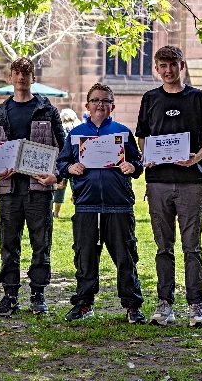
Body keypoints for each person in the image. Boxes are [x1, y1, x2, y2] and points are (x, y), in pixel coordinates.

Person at [136, 45, 202, 327]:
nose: (168, 70)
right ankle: (165, 304)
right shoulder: (149, 98)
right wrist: (147, 156)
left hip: (190, 182)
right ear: (156, 69)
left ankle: (196, 306)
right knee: (163, 247)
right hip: (157, 183)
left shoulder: (197, 98)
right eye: (162, 65)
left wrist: (197, 157)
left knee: (192, 247)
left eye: (173, 65)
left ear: (181, 66)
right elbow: (142, 135)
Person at [57, 83, 146, 323]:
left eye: (105, 101)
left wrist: (132, 166)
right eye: (96, 100)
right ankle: (84, 304)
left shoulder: (122, 132)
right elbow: (61, 164)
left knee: (126, 257)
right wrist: (69, 167)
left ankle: (132, 306)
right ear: (87, 105)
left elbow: (138, 162)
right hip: (86, 205)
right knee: (84, 257)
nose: (100, 104)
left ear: (112, 106)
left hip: (118, 204)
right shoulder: (75, 134)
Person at [0, 57, 65, 317]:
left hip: (39, 188)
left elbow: (63, 148)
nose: (21, 77)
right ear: (10, 78)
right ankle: (9, 295)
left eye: (26, 73)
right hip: (10, 188)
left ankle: (38, 293)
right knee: (8, 243)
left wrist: (55, 174)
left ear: (33, 78)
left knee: (40, 242)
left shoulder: (47, 109)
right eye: (17, 73)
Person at [53, 108, 82, 218]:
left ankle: (56, 212)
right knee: (77, 188)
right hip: (78, 164)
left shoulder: (61, 129)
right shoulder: (79, 128)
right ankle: (78, 211)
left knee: (60, 188)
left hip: (64, 163)